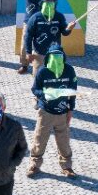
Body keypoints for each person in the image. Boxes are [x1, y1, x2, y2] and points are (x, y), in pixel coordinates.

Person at [28, 42, 77, 178]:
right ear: (48, 57)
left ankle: (67, 166)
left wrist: (70, 110)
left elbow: (73, 91)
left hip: (62, 112)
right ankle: (34, 164)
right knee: (40, 138)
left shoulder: (69, 70)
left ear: (63, 57)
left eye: (59, 56)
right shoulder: (43, 71)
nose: (56, 60)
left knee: (64, 141)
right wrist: (44, 95)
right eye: (53, 56)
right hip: (45, 112)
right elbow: (35, 89)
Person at [9, 0, 53, 74]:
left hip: (42, 23)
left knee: (42, 44)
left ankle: (42, 66)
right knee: (25, 45)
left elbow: (51, 5)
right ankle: (24, 65)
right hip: (28, 22)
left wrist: (50, 18)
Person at [22, 0, 72, 75]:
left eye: (52, 2)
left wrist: (69, 28)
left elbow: (65, 32)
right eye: (47, 2)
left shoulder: (59, 16)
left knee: (53, 74)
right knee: (38, 76)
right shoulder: (35, 18)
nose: (50, 4)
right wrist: (28, 52)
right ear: (42, 4)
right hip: (39, 53)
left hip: (55, 53)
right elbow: (28, 36)